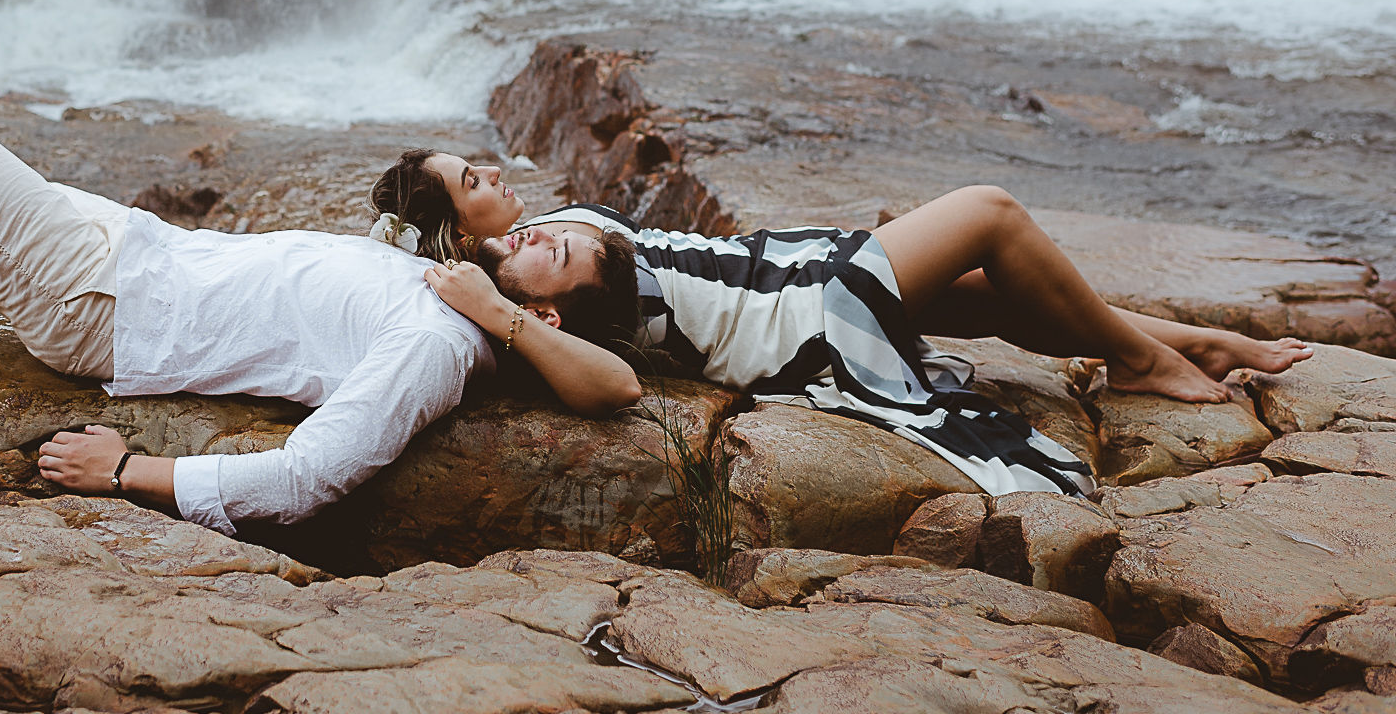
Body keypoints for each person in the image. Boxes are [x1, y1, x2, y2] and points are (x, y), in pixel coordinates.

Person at [0, 98, 641, 535]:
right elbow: (420, 202)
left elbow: (303, 478)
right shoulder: (436, 281)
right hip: (133, 255)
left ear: (550, 307)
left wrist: (126, 473)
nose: (545, 225)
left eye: (564, 248)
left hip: (105, 302)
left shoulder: (437, 340)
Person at [371, 150, 1314, 495]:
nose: (493, 172)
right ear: (457, 229)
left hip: (789, 271)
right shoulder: (509, 291)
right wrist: (491, 297)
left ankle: (1191, 343)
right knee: (989, 211)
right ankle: (1146, 360)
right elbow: (603, 378)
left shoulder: (536, 241)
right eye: (472, 182)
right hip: (796, 315)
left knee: (987, 290)